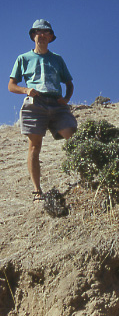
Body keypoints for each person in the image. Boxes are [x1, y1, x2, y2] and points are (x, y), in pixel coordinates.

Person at [8, 19, 77, 203]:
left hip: (56, 103)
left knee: (73, 136)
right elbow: (11, 85)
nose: (44, 35)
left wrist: (66, 99)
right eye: (40, 32)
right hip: (35, 103)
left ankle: (86, 176)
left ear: (51, 37)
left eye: (47, 33)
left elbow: (69, 83)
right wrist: (26, 90)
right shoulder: (23, 58)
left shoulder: (57, 59)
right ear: (33, 35)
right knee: (34, 147)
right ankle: (37, 191)